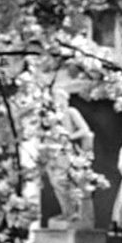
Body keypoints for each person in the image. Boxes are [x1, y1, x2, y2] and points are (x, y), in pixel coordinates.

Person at [42, 89, 96, 228]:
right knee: (55, 183)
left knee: (65, 182)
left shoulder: (71, 112)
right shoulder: (51, 116)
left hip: (67, 152)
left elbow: (85, 129)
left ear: (65, 100)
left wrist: (69, 137)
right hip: (53, 152)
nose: (56, 102)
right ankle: (66, 211)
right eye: (54, 99)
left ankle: (74, 212)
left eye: (58, 99)